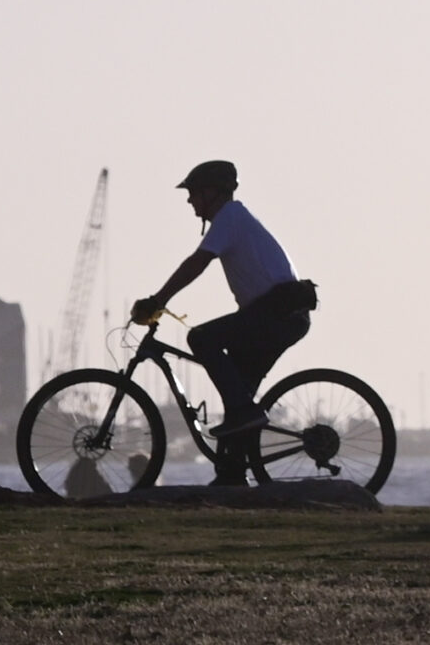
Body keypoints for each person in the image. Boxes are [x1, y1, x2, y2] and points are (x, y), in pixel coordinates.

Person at [129, 160, 316, 486]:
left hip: (279, 313)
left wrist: (158, 301)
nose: (189, 201)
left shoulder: (230, 216)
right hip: (281, 315)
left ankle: (243, 418)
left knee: (202, 339)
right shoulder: (232, 218)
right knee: (238, 400)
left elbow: (197, 263)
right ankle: (231, 476)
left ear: (212, 193)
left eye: (193, 194)